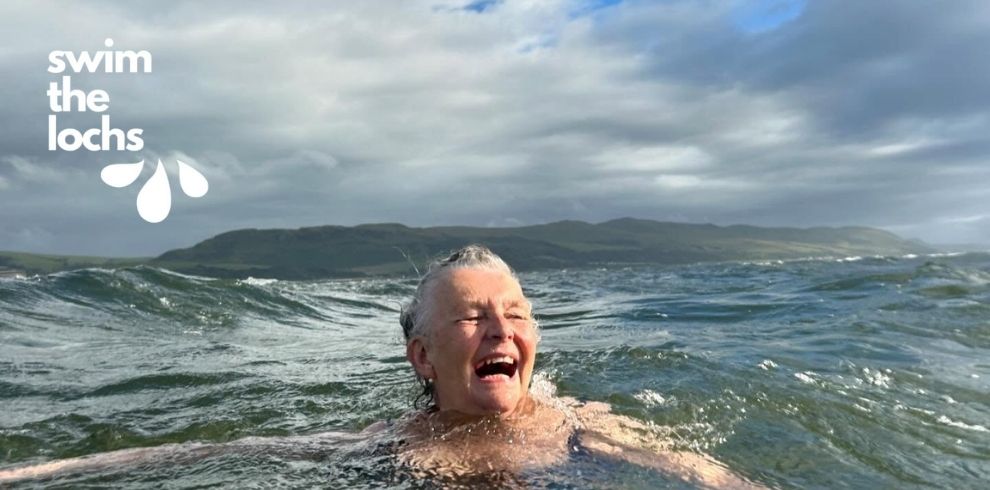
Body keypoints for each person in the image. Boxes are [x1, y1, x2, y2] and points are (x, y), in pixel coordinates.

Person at [0, 245, 761, 488]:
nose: (502, 327)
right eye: (473, 316)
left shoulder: (577, 428)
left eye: (517, 313)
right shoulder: (394, 445)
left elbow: (706, 474)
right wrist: (38, 473)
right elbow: (218, 452)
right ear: (423, 357)